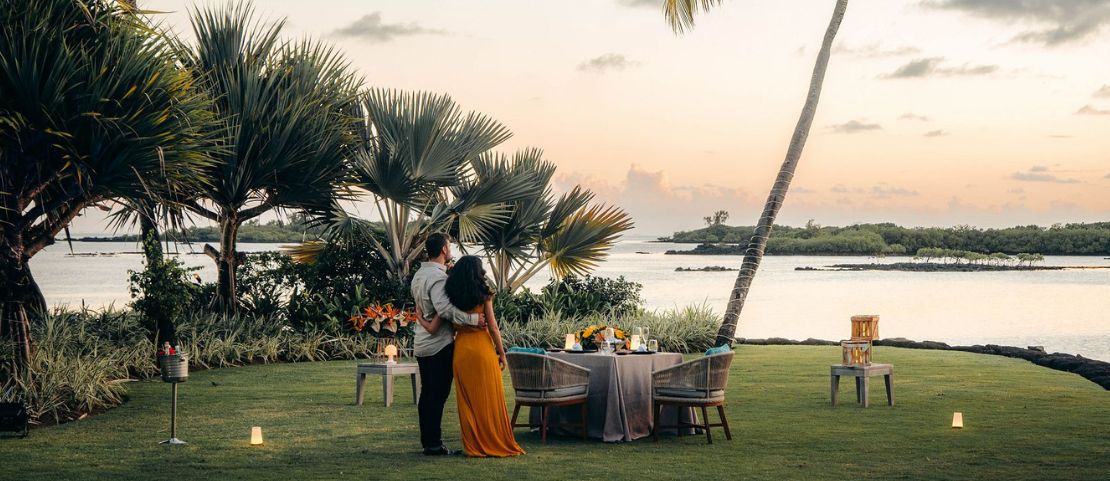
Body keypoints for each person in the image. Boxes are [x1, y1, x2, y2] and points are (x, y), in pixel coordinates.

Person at [416, 255, 524, 458]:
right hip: (482, 349)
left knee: (467, 401)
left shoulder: (450, 294)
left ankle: (473, 444)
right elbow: (492, 327)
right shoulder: (484, 293)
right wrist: (502, 352)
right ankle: (493, 439)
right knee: (488, 397)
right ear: (478, 272)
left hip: (462, 351)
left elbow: (437, 322)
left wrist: (421, 319)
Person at [410, 233, 485, 456]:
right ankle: (433, 444)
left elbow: (425, 308)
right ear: (444, 249)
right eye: (449, 246)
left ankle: (429, 442)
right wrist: (473, 319)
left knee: (428, 394)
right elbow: (444, 309)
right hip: (438, 344)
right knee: (437, 395)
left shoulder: (420, 274)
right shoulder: (437, 278)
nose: (450, 249)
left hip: (422, 341)